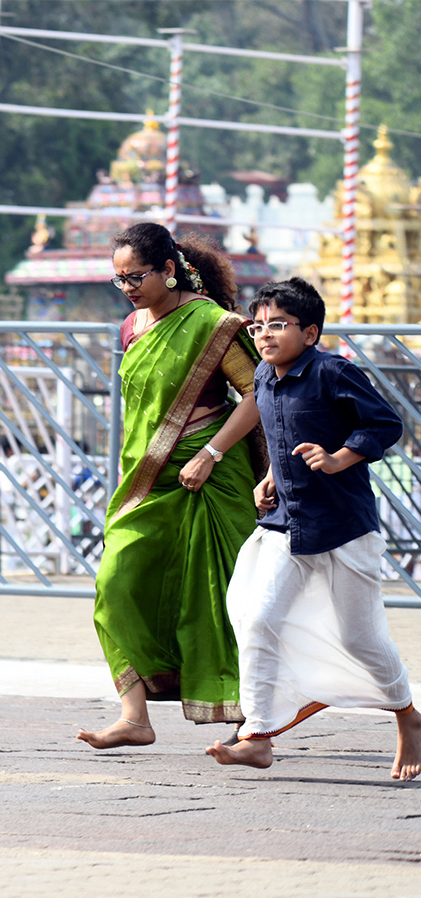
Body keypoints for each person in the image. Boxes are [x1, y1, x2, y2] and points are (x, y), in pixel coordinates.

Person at [205, 278, 421, 780]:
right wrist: (270, 478)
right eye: (258, 327)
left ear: (310, 332)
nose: (264, 335)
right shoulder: (263, 376)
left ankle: (408, 716)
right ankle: (256, 735)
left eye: (278, 325)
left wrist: (338, 458)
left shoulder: (332, 371)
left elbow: (386, 425)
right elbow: (283, 436)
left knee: (360, 636)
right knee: (257, 616)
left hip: (344, 526)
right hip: (287, 524)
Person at [77, 222, 264, 750]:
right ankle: (134, 717)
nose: (128, 288)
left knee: (219, 596)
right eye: (119, 280)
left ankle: (251, 724)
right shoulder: (132, 327)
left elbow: (256, 394)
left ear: (168, 269)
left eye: (136, 276)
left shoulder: (213, 324)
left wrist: (211, 453)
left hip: (211, 475)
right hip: (148, 479)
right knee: (116, 583)